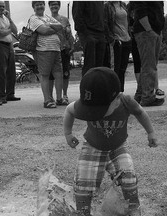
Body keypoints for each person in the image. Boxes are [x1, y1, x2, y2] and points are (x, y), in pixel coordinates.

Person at [63, 67, 158, 216]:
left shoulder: (126, 101)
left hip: (117, 147)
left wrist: (151, 132)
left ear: (117, 99)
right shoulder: (87, 104)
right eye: (90, 109)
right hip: (92, 147)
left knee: (128, 176)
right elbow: (69, 110)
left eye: (99, 110)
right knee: (83, 181)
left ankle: (133, 208)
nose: (92, 113)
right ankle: (82, 211)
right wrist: (68, 133)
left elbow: (140, 112)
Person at [29, 1, 65, 109]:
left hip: (56, 49)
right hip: (43, 50)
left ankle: (59, 98)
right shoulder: (33, 19)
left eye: (41, 4)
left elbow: (61, 26)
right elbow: (43, 30)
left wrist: (49, 25)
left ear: (44, 6)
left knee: (59, 74)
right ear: (33, 7)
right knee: (44, 75)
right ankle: (47, 100)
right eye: (37, 5)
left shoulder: (48, 17)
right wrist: (53, 28)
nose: (40, 6)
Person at [127, 2, 165, 104]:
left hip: (155, 31)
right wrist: (149, 30)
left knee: (148, 66)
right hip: (146, 31)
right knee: (149, 66)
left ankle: (140, 95)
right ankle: (147, 97)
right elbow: (140, 11)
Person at [0, 1, 20, 104]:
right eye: (0, 6)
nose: (2, 8)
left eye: (3, 6)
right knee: (1, 71)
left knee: (11, 70)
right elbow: (0, 33)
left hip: (9, 44)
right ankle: (1, 96)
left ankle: (10, 94)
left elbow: (15, 30)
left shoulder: (6, 18)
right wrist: (8, 30)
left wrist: (10, 19)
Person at [48, 0, 74, 104]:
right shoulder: (46, 19)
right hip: (51, 49)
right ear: (49, 6)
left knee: (65, 72)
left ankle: (64, 95)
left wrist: (72, 45)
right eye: (52, 4)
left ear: (59, 6)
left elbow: (69, 33)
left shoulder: (64, 19)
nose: (54, 6)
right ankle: (50, 96)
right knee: (51, 74)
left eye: (56, 4)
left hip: (64, 49)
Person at [72, 1, 107, 76]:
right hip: (88, 33)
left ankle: (97, 86)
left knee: (100, 66)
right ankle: (87, 87)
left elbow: (102, 16)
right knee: (90, 64)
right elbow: (77, 16)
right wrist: (86, 34)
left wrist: (104, 32)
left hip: (100, 33)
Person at [104, 1, 132, 92]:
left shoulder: (123, 5)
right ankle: (113, 92)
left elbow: (127, 21)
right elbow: (105, 23)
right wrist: (112, 39)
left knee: (123, 69)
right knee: (115, 68)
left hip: (126, 39)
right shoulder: (107, 6)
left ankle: (120, 92)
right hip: (116, 40)